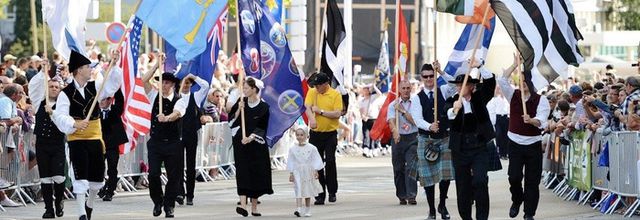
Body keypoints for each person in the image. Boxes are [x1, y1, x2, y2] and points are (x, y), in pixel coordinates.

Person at [51, 50, 122, 220]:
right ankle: (82, 213)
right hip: (77, 138)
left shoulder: (95, 86)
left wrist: (114, 64)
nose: (90, 69)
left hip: (95, 137)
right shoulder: (65, 93)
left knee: (97, 176)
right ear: (78, 70)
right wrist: (74, 123)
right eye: (87, 67)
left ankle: (90, 203)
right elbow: (59, 115)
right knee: (80, 174)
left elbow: (112, 85)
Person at [498, 56, 550, 220]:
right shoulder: (513, 94)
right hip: (514, 142)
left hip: (533, 144)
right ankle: (517, 200)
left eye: (527, 80)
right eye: (522, 80)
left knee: (532, 181)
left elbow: (542, 121)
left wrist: (532, 120)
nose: (524, 82)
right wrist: (515, 64)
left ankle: (529, 213)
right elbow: (501, 79)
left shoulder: (541, 100)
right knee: (514, 177)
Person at [446, 60, 496, 220]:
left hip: (479, 147)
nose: (460, 87)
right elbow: (447, 116)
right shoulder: (452, 101)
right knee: (463, 187)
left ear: (471, 86)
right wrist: (454, 109)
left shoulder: (479, 98)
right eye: (458, 85)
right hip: (460, 150)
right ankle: (466, 217)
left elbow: (490, 82)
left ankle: (482, 217)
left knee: (480, 181)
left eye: (464, 84)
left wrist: (479, 66)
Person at [141, 58, 188, 217]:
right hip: (155, 142)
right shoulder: (154, 95)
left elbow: (177, 113)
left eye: (167, 82)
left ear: (173, 85)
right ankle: (157, 201)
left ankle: (169, 205)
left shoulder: (180, 100)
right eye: (162, 82)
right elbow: (143, 81)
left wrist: (166, 118)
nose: (164, 85)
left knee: (174, 176)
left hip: (173, 143)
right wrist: (156, 65)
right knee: (153, 174)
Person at [410, 63, 456, 219]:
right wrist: (430, 126)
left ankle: (442, 204)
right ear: (421, 78)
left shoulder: (443, 91)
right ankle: (431, 210)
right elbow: (417, 119)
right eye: (426, 76)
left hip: (444, 138)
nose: (429, 79)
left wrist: (442, 72)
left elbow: (455, 85)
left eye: (431, 75)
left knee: (445, 175)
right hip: (426, 139)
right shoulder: (417, 98)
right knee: (428, 178)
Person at [28, 63, 67, 218]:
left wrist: (54, 113)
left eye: (56, 87)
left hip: (57, 144)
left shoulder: (64, 105)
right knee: (45, 178)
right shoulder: (39, 103)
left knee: (58, 176)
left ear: (60, 90)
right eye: (51, 86)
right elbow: (33, 86)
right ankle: (48, 209)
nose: (53, 88)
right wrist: (43, 72)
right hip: (42, 144)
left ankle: (59, 202)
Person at [230, 77, 272, 217]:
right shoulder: (241, 102)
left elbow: (262, 127)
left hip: (256, 144)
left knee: (256, 174)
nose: (244, 90)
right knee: (242, 172)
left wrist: (251, 137)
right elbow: (231, 120)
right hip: (241, 143)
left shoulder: (264, 107)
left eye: (247, 88)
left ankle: (254, 207)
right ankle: (243, 205)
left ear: (254, 89)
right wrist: (238, 111)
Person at [304, 72, 343, 205]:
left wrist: (320, 112)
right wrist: (312, 118)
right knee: (316, 164)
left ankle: (332, 191)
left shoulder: (335, 95)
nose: (316, 88)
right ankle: (320, 193)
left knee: (330, 161)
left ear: (325, 84)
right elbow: (307, 107)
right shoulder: (312, 92)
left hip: (330, 133)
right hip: (316, 134)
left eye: (318, 85)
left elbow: (337, 113)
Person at [177, 74, 209, 206]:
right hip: (177, 135)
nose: (186, 85)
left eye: (188, 83)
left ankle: (190, 195)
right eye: (184, 82)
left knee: (190, 166)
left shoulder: (195, 96)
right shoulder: (176, 98)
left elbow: (205, 86)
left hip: (191, 135)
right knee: (177, 165)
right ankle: (180, 192)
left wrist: (194, 77)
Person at [387, 80, 419, 206]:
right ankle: (401, 195)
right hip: (399, 138)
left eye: (408, 88)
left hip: (413, 138)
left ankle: (411, 195)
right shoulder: (393, 105)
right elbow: (391, 121)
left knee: (411, 166)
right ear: (399, 90)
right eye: (403, 88)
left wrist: (403, 111)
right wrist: (395, 131)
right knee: (398, 168)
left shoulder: (415, 103)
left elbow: (416, 122)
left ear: (411, 89)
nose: (406, 90)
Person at [97, 89, 128, 202]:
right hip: (100, 144)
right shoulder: (95, 112)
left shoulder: (115, 110)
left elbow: (120, 100)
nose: (102, 102)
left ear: (110, 100)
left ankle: (110, 191)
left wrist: (115, 87)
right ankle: (102, 186)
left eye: (104, 99)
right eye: (100, 99)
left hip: (112, 145)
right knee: (98, 168)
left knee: (112, 168)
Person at [286, 126, 324, 217]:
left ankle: (307, 209)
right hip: (297, 171)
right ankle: (298, 209)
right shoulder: (293, 149)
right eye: (297, 135)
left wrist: (316, 170)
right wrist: (291, 172)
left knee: (307, 190)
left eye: (302, 135)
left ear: (306, 136)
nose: (299, 137)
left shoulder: (312, 148)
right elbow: (291, 160)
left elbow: (316, 159)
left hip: (308, 170)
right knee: (298, 188)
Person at [487, 85, 510, 159]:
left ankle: (505, 152)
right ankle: (500, 151)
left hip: (506, 118)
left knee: (506, 135)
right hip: (498, 118)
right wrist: (493, 121)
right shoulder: (495, 99)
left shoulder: (507, 100)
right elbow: (492, 110)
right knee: (499, 134)